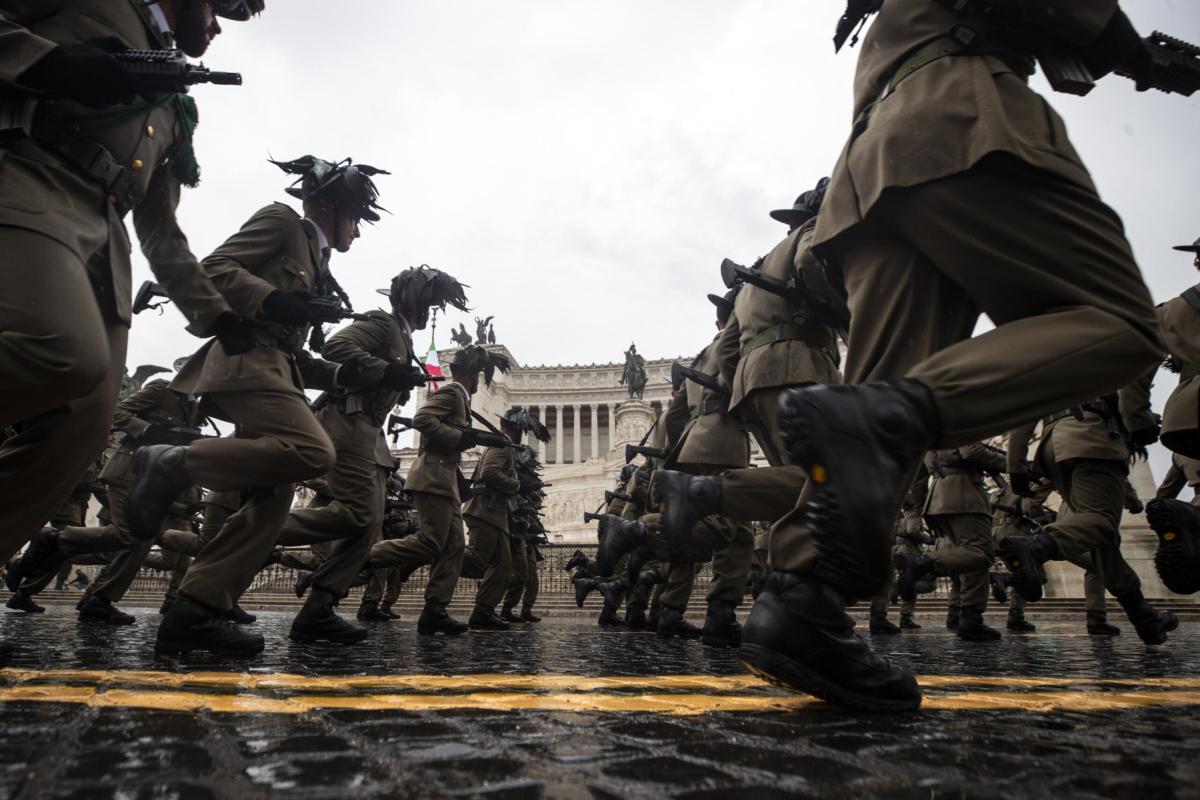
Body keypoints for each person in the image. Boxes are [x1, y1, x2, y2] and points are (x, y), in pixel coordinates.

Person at [743, 1, 1164, 711]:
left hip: (871, 173)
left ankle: (803, 602)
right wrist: (1126, 47)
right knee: (1120, 321)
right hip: (963, 122)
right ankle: (888, 418)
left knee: (879, 398)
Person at [0, 0, 264, 577]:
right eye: (219, 9)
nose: (218, 26)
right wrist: (47, 61)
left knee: (82, 422)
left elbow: (161, 229)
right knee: (60, 351)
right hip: (28, 180)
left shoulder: (173, 101)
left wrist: (215, 314)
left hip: (105, 240)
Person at [128, 154, 386, 655]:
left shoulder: (318, 257)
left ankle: (194, 609)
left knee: (273, 501)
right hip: (245, 362)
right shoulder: (282, 221)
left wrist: (337, 371)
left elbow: (292, 343)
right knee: (313, 452)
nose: (358, 230)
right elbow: (216, 267)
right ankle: (176, 460)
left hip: (277, 365)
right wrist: (272, 300)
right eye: (356, 217)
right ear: (330, 206)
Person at [274, 266, 468, 643]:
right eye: (428, 304)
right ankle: (262, 532)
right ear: (415, 302)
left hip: (369, 433)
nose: (430, 311)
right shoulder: (382, 323)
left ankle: (319, 606)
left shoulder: (403, 337)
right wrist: (387, 372)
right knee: (361, 514)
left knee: (368, 521)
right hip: (347, 424)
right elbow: (336, 347)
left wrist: (396, 373)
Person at [366, 345, 509, 635]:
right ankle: (356, 557)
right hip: (432, 476)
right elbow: (421, 420)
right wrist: (459, 437)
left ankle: (435, 609)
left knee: (455, 548)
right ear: (474, 375)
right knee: (430, 542)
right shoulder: (453, 392)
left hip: (445, 479)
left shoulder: (461, 399)